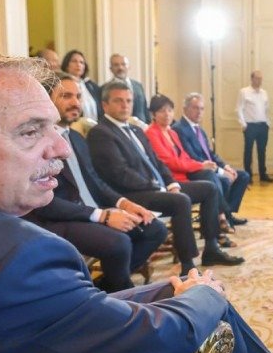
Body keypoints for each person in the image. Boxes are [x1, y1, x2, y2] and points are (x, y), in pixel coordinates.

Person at [0, 45, 273, 353]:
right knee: (210, 302)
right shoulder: (23, 256)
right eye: (30, 131)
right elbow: (156, 339)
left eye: (52, 126)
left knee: (174, 286)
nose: (61, 148)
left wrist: (168, 292)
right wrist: (204, 295)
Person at [25, 72, 167, 292]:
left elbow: (96, 182)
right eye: (66, 96)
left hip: (91, 210)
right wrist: (103, 216)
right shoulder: (36, 142)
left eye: (78, 96)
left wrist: (124, 204)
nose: (75, 102)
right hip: (58, 219)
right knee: (118, 243)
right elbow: (45, 203)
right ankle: (123, 296)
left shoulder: (77, 138)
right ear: (46, 99)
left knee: (154, 229)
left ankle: (105, 288)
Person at [86, 83, 244, 273]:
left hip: (155, 187)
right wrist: (156, 186)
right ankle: (188, 266)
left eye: (128, 101)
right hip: (132, 194)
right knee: (180, 201)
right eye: (118, 101)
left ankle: (211, 248)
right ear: (105, 105)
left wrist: (171, 183)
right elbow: (119, 173)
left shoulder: (136, 130)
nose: (125, 105)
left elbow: (158, 162)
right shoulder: (101, 133)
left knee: (208, 188)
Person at [144, 93, 238, 246]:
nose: (167, 114)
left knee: (211, 184)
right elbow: (169, 162)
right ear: (153, 114)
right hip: (170, 182)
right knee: (210, 186)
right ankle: (218, 231)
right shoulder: (151, 133)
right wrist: (201, 165)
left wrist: (202, 165)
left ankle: (216, 236)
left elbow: (184, 157)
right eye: (162, 111)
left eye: (169, 110)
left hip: (183, 176)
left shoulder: (171, 132)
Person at [174, 93, 249, 226]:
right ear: (185, 109)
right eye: (195, 108)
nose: (199, 112)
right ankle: (222, 217)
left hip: (210, 168)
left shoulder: (199, 130)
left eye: (202, 109)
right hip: (196, 171)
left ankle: (227, 213)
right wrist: (220, 172)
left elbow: (210, 154)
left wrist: (225, 166)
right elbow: (192, 157)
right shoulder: (180, 129)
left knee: (242, 176)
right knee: (224, 180)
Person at [236, 70, 273, 183]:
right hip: (250, 126)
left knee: (262, 151)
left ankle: (263, 174)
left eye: (261, 78)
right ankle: (248, 176)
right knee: (248, 151)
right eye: (257, 78)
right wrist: (243, 124)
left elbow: (267, 109)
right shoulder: (244, 92)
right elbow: (239, 109)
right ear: (252, 79)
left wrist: (268, 123)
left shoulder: (264, 92)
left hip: (263, 125)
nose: (259, 81)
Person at [104, 53, 150, 124]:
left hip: (141, 128)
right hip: (118, 129)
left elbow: (145, 109)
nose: (120, 68)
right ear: (111, 69)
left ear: (128, 67)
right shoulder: (104, 88)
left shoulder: (138, 86)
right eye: (116, 65)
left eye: (123, 64)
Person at [61, 49, 102, 122]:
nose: (78, 64)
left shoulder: (91, 85)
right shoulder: (61, 84)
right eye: (74, 61)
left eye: (81, 62)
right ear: (67, 65)